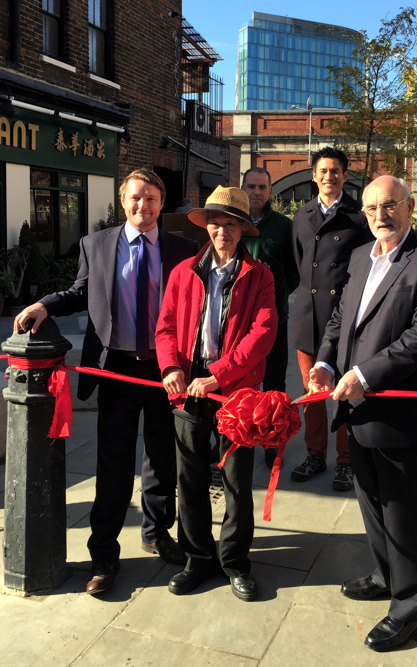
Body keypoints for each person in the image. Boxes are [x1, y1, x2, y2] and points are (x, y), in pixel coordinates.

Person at [14, 168, 196, 596]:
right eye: (135, 197)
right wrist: (44, 303)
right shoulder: (95, 245)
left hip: (165, 370)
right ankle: (104, 554)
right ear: (122, 200)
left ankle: (156, 532)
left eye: (151, 198)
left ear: (162, 202)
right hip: (115, 368)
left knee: (161, 459)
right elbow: (80, 290)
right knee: (112, 464)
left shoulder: (184, 249)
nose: (142, 205)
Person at [310, 175, 417, 652]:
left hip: (397, 411)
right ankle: (386, 573)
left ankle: (411, 609)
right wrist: (327, 363)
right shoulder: (359, 257)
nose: (379, 215)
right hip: (355, 406)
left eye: (389, 205)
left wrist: (365, 375)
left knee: (404, 510)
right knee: (370, 499)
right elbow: (339, 319)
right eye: (371, 207)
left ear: (410, 206)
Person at [156, 186, 277, 602]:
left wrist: (219, 376)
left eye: (230, 224)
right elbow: (166, 327)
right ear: (205, 227)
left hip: (237, 393)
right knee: (189, 480)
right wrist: (171, 366)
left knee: (236, 482)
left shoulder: (259, 275)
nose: (221, 231)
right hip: (188, 387)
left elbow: (263, 335)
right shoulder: (183, 272)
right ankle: (197, 559)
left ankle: (235, 562)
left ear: (243, 229)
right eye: (215, 223)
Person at [290, 147, 372, 490]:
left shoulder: (358, 216)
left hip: (344, 318)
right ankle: (314, 453)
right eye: (323, 171)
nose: (329, 177)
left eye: (335, 171)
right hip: (308, 319)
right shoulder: (301, 215)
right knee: (313, 394)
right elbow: (299, 263)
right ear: (314, 175)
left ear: (345, 175)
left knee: (345, 393)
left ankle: (347, 459)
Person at [241, 167, 300, 469]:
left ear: (271, 190)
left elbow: (294, 273)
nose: (257, 192)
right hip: (239, 322)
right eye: (251, 186)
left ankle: (271, 439)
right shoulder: (233, 222)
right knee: (240, 382)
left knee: (274, 384)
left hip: (275, 318)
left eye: (262, 187)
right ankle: (239, 434)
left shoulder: (283, 227)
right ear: (243, 188)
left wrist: (273, 292)